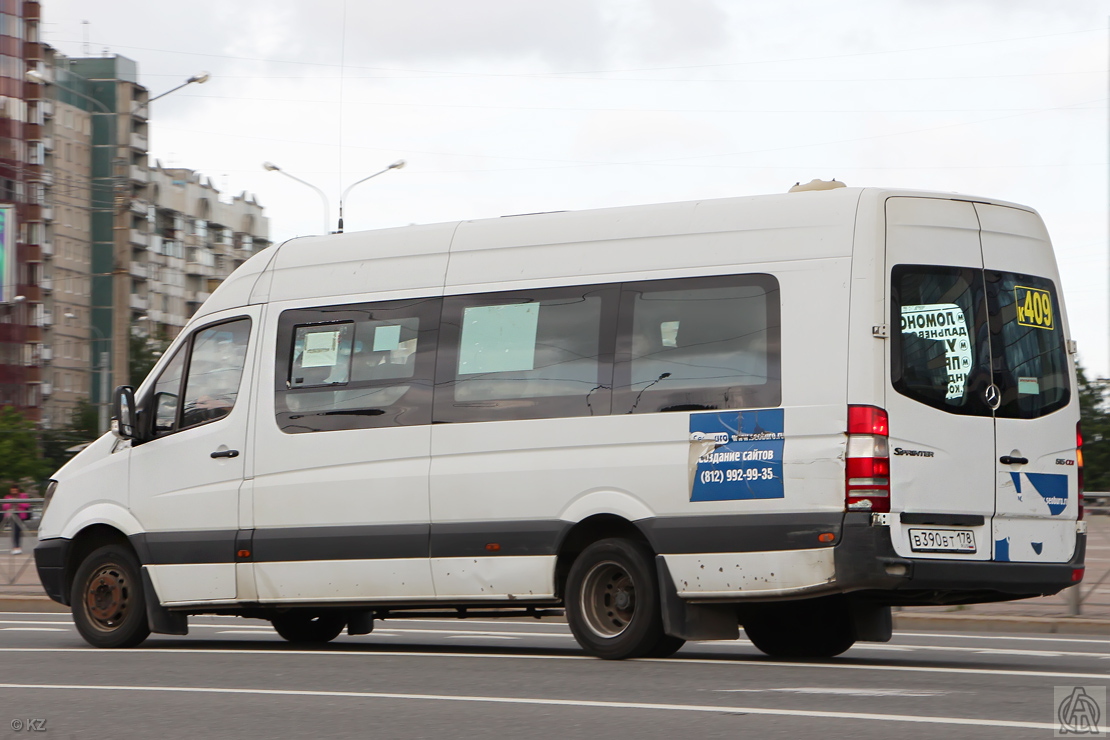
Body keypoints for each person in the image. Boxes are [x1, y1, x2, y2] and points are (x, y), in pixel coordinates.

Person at [2, 484, 31, 555]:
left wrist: (18, 502)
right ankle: (16, 547)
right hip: (11, 515)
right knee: (14, 531)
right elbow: (4, 506)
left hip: (20, 515)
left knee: (18, 531)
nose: (14, 492)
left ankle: (17, 547)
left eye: (15, 490)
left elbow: (27, 505)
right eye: (12, 490)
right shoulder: (8, 497)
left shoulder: (23, 496)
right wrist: (11, 502)